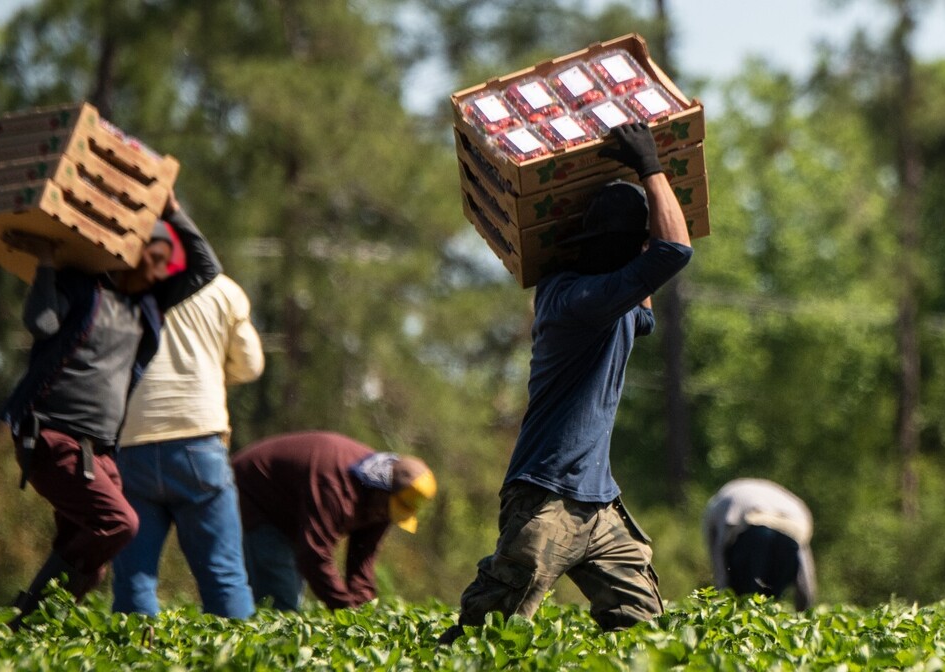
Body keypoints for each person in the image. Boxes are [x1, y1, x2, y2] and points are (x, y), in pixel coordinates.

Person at [439, 122, 694, 644]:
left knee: (643, 630)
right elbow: (674, 254)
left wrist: (641, 216)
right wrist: (650, 165)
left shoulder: (611, 300)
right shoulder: (576, 300)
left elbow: (650, 285)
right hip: (546, 500)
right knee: (487, 636)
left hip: (598, 503)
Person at [0, 193, 220, 630]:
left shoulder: (148, 308)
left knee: (90, 560)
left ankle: (27, 634)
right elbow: (41, 325)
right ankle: (28, 622)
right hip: (51, 438)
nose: (159, 271)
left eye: (164, 265)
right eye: (152, 259)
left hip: (99, 453)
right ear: (126, 254)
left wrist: (174, 209)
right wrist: (46, 262)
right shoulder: (82, 288)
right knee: (118, 524)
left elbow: (206, 268)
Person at [110, 261, 265, 619]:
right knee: (223, 576)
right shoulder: (222, 289)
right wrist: (211, 372)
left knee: (135, 578)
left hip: (132, 441)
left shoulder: (120, 285)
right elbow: (251, 365)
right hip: (198, 441)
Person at [230, 431, 437, 611]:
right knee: (281, 601)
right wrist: (345, 610)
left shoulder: (382, 504)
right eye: (389, 508)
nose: (386, 515)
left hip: (292, 517)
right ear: (382, 488)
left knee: (289, 596)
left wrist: (364, 615)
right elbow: (313, 555)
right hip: (253, 496)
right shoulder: (336, 486)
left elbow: (361, 562)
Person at [703, 478, 817, 611]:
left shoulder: (717, 503)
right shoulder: (790, 503)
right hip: (789, 529)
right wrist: (805, 605)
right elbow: (803, 563)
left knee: (743, 598)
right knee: (770, 601)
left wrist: (722, 589)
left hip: (753, 530)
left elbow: (718, 550)